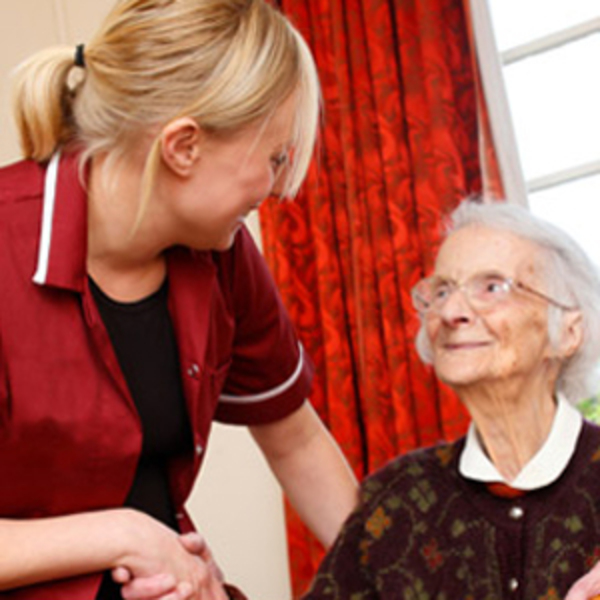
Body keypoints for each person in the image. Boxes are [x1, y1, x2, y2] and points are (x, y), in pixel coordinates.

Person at [0, 0, 358, 598]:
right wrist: (123, 535)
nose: (276, 188)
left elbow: (296, 441)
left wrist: (396, 578)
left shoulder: (222, 254)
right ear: (183, 146)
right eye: (273, 158)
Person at [299, 199, 600, 599]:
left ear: (568, 332)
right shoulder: (396, 498)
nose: (451, 311)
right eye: (441, 291)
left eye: (492, 287)